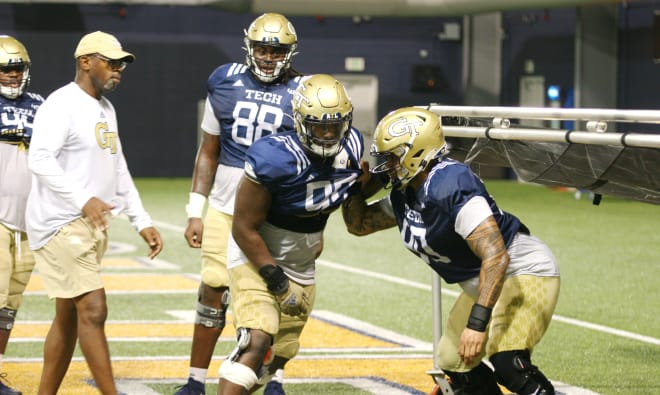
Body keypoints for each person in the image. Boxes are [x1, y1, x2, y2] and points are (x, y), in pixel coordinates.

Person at [342, 107, 561, 395]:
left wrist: (477, 324)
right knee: (453, 361)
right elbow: (359, 224)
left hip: (522, 270)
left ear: (416, 152)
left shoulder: (450, 184)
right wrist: (357, 189)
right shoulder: (406, 193)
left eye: (393, 157)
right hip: (483, 281)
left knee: (507, 362)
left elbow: (496, 256)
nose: (387, 166)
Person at [217, 74, 377, 395]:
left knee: (279, 354)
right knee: (256, 339)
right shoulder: (276, 158)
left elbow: (349, 192)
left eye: (335, 125)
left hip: (301, 264)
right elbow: (243, 227)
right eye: (320, 126)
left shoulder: (353, 146)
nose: (329, 134)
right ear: (301, 122)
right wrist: (276, 280)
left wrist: (381, 181)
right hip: (257, 257)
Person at [25, 31, 163, 395]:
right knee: (94, 310)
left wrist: (142, 219)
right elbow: (39, 158)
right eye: (111, 62)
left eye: (121, 64)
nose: (118, 70)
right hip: (60, 223)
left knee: (68, 319)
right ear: (85, 61)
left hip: (90, 225)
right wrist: (82, 198)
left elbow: (118, 168)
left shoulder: (105, 107)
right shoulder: (61, 103)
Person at [177, 12, 302, 395]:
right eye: (262, 48)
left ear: (289, 53)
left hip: (276, 214)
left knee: (280, 296)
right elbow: (209, 150)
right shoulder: (224, 81)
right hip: (225, 205)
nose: (267, 56)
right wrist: (194, 210)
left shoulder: (302, 93)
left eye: (276, 50)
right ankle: (196, 380)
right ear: (249, 47)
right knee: (212, 291)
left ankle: (273, 377)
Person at [0, 35, 44, 395]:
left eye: (17, 69)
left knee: (9, 305)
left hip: (29, 221)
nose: (13, 76)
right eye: (5, 70)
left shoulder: (42, 105)